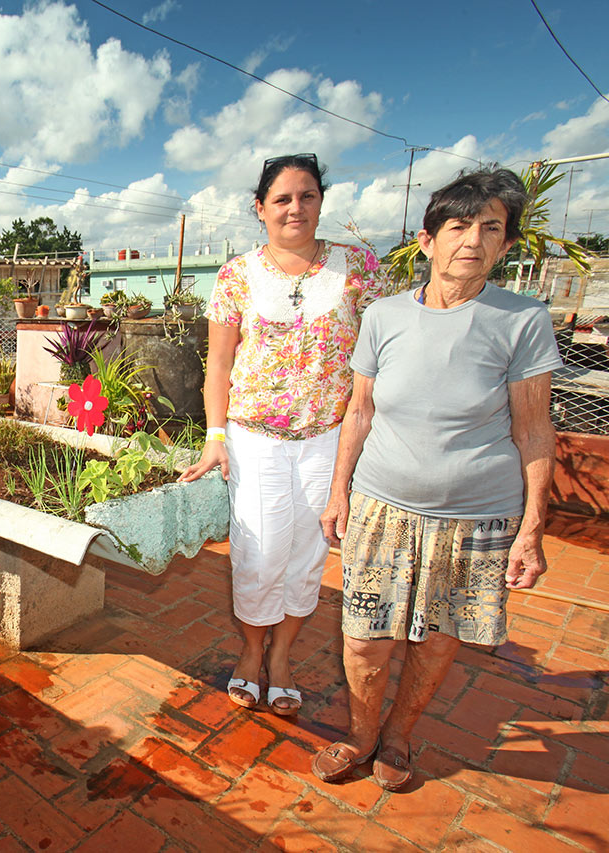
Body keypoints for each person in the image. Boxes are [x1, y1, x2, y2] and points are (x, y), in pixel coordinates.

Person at [311, 167, 561, 791]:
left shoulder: (522, 320)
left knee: (440, 634)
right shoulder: (384, 316)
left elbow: (534, 432)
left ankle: (399, 735)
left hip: (478, 514)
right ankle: (362, 733)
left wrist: (531, 531)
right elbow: (359, 410)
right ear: (427, 241)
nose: (472, 240)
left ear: (506, 246)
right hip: (382, 504)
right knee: (365, 637)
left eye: (490, 229)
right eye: (457, 226)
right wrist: (339, 490)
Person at [182, 153, 390, 716]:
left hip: (329, 439)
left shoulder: (360, 268)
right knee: (258, 553)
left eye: (307, 196)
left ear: (320, 201)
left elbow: (380, 355)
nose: (295, 208)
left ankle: (282, 659)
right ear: (261, 208)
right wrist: (215, 436)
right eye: (282, 199)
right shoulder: (236, 275)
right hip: (255, 441)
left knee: (307, 556)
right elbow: (219, 366)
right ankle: (252, 654)